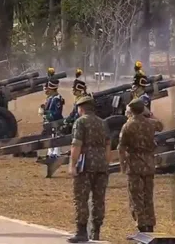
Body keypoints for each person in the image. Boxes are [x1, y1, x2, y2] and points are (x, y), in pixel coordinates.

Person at [68, 95, 111, 243]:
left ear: (81, 108)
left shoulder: (80, 122)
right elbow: (107, 145)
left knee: (81, 198)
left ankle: (81, 231)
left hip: (85, 165)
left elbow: (76, 145)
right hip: (101, 165)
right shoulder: (102, 123)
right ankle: (96, 231)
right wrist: (105, 163)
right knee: (99, 199)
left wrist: (72, 165)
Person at [118, 98, 164, 233]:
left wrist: (122, 165)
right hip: (149, 164)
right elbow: (161, 125)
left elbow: (121, 148)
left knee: (136, 196)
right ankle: (150, 224)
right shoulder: (151, 123)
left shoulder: (128, 126)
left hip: (134, 166)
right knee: (148, 196)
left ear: (131, 110)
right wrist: (148, 113)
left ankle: (141, 225)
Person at [39, 75, 64, 158]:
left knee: (56, 137)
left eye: (48, 88)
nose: (47, 90)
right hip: (50, 122)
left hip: (55, 122)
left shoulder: (57, 98)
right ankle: (50, 151)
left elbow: (57, 113)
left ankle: (56, 152)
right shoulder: (50, 98)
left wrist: (46, 113)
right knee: (51, 137)